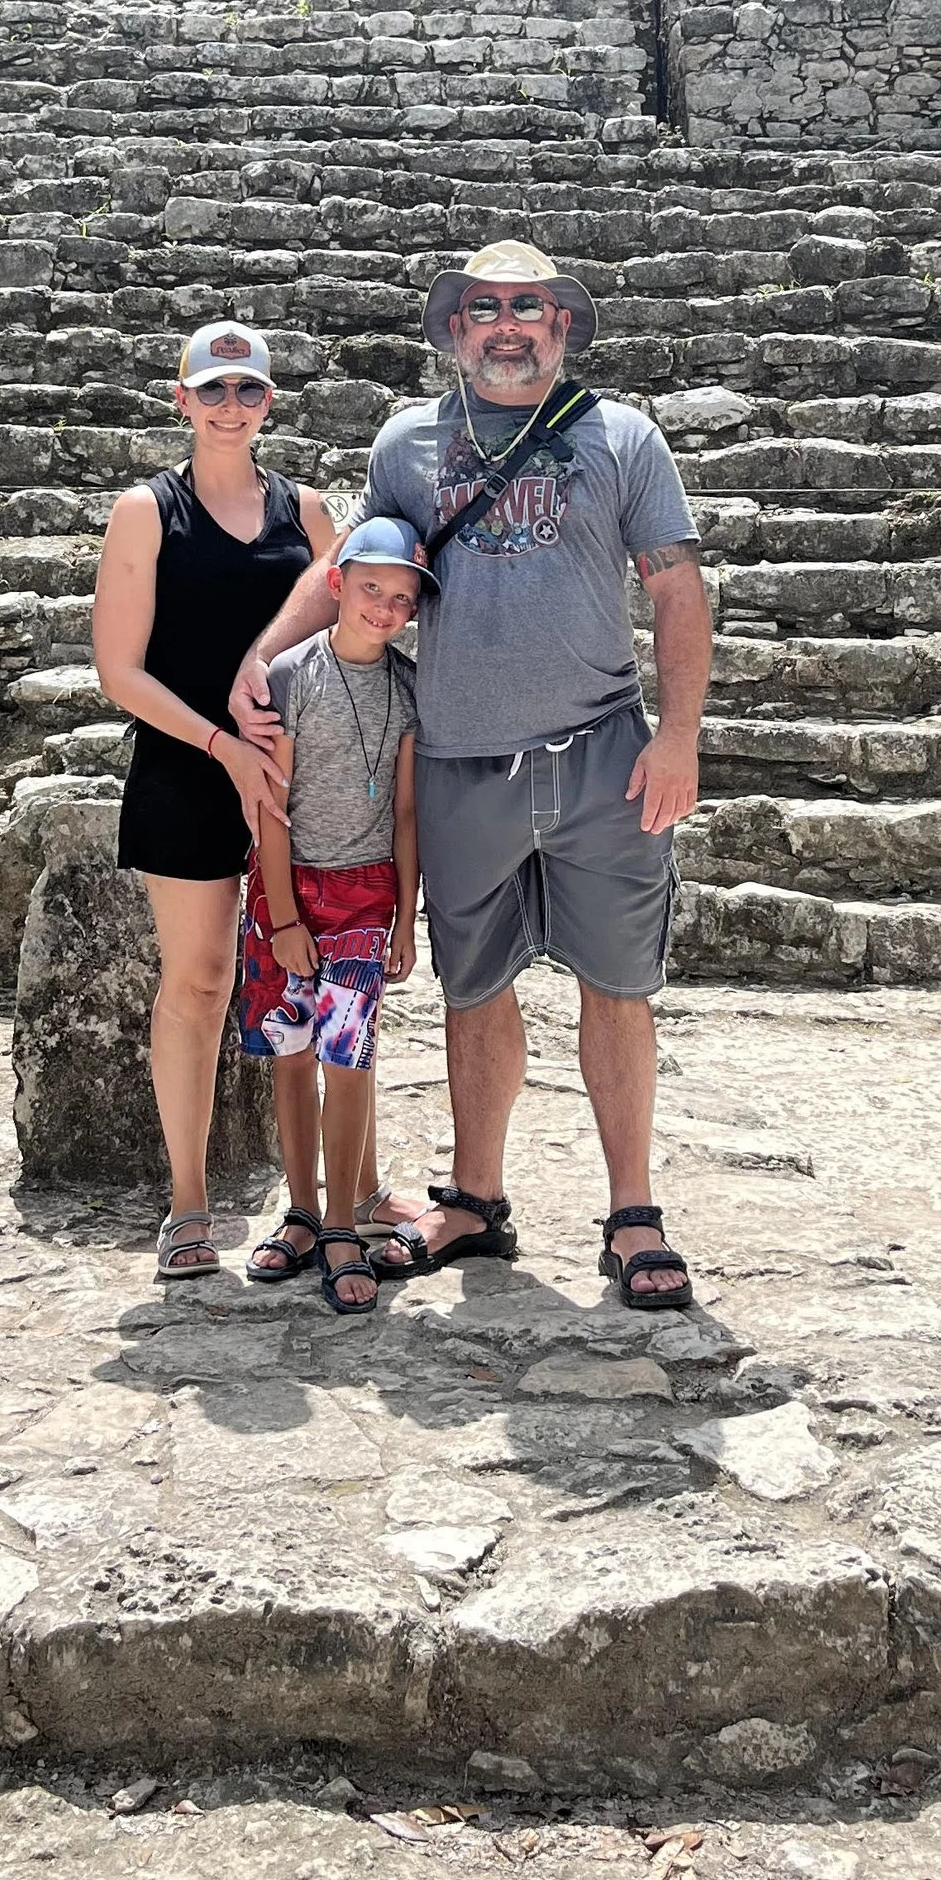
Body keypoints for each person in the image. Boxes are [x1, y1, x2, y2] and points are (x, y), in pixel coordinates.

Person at [235, 241, 713, 1311]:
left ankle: (632, 1208)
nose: (506, 325)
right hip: (456, 755)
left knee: (619, 984)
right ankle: (477, 1200)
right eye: (484, 308)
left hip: (600, 748)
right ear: (454, 330)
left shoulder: (622, 436)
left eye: (528, 307)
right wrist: (261, 659)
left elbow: (676, 587)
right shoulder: (408, 443)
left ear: (561, 326)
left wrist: (677, 735)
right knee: (474, 984)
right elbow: (356, 565)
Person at [93, 323, 329, 1279]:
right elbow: (119, 669)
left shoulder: (308, 513)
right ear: (181, 400)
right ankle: (188, 1202)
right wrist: (221, 744)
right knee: (195, 982)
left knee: (316, 977)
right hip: (189, 770)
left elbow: (339, 625)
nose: (233, 407)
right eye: (215, 390)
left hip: (293, 780)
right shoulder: (146, 511)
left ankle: (329, 1193)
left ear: (269, 403)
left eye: (251, 392)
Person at [236, 517, 428, 1316]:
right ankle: (305, 1210)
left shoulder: (409, 688)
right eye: (371, 588)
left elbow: (409, 811)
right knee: (290, 1053)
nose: (383, 607)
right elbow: (270, 809)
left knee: (348, 1058)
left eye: (402, 598)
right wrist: (281, 915)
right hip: (287, 894)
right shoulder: (290, 676)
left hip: (365, 898)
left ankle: (346, 1222)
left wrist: (405, 917)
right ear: (338, 584)